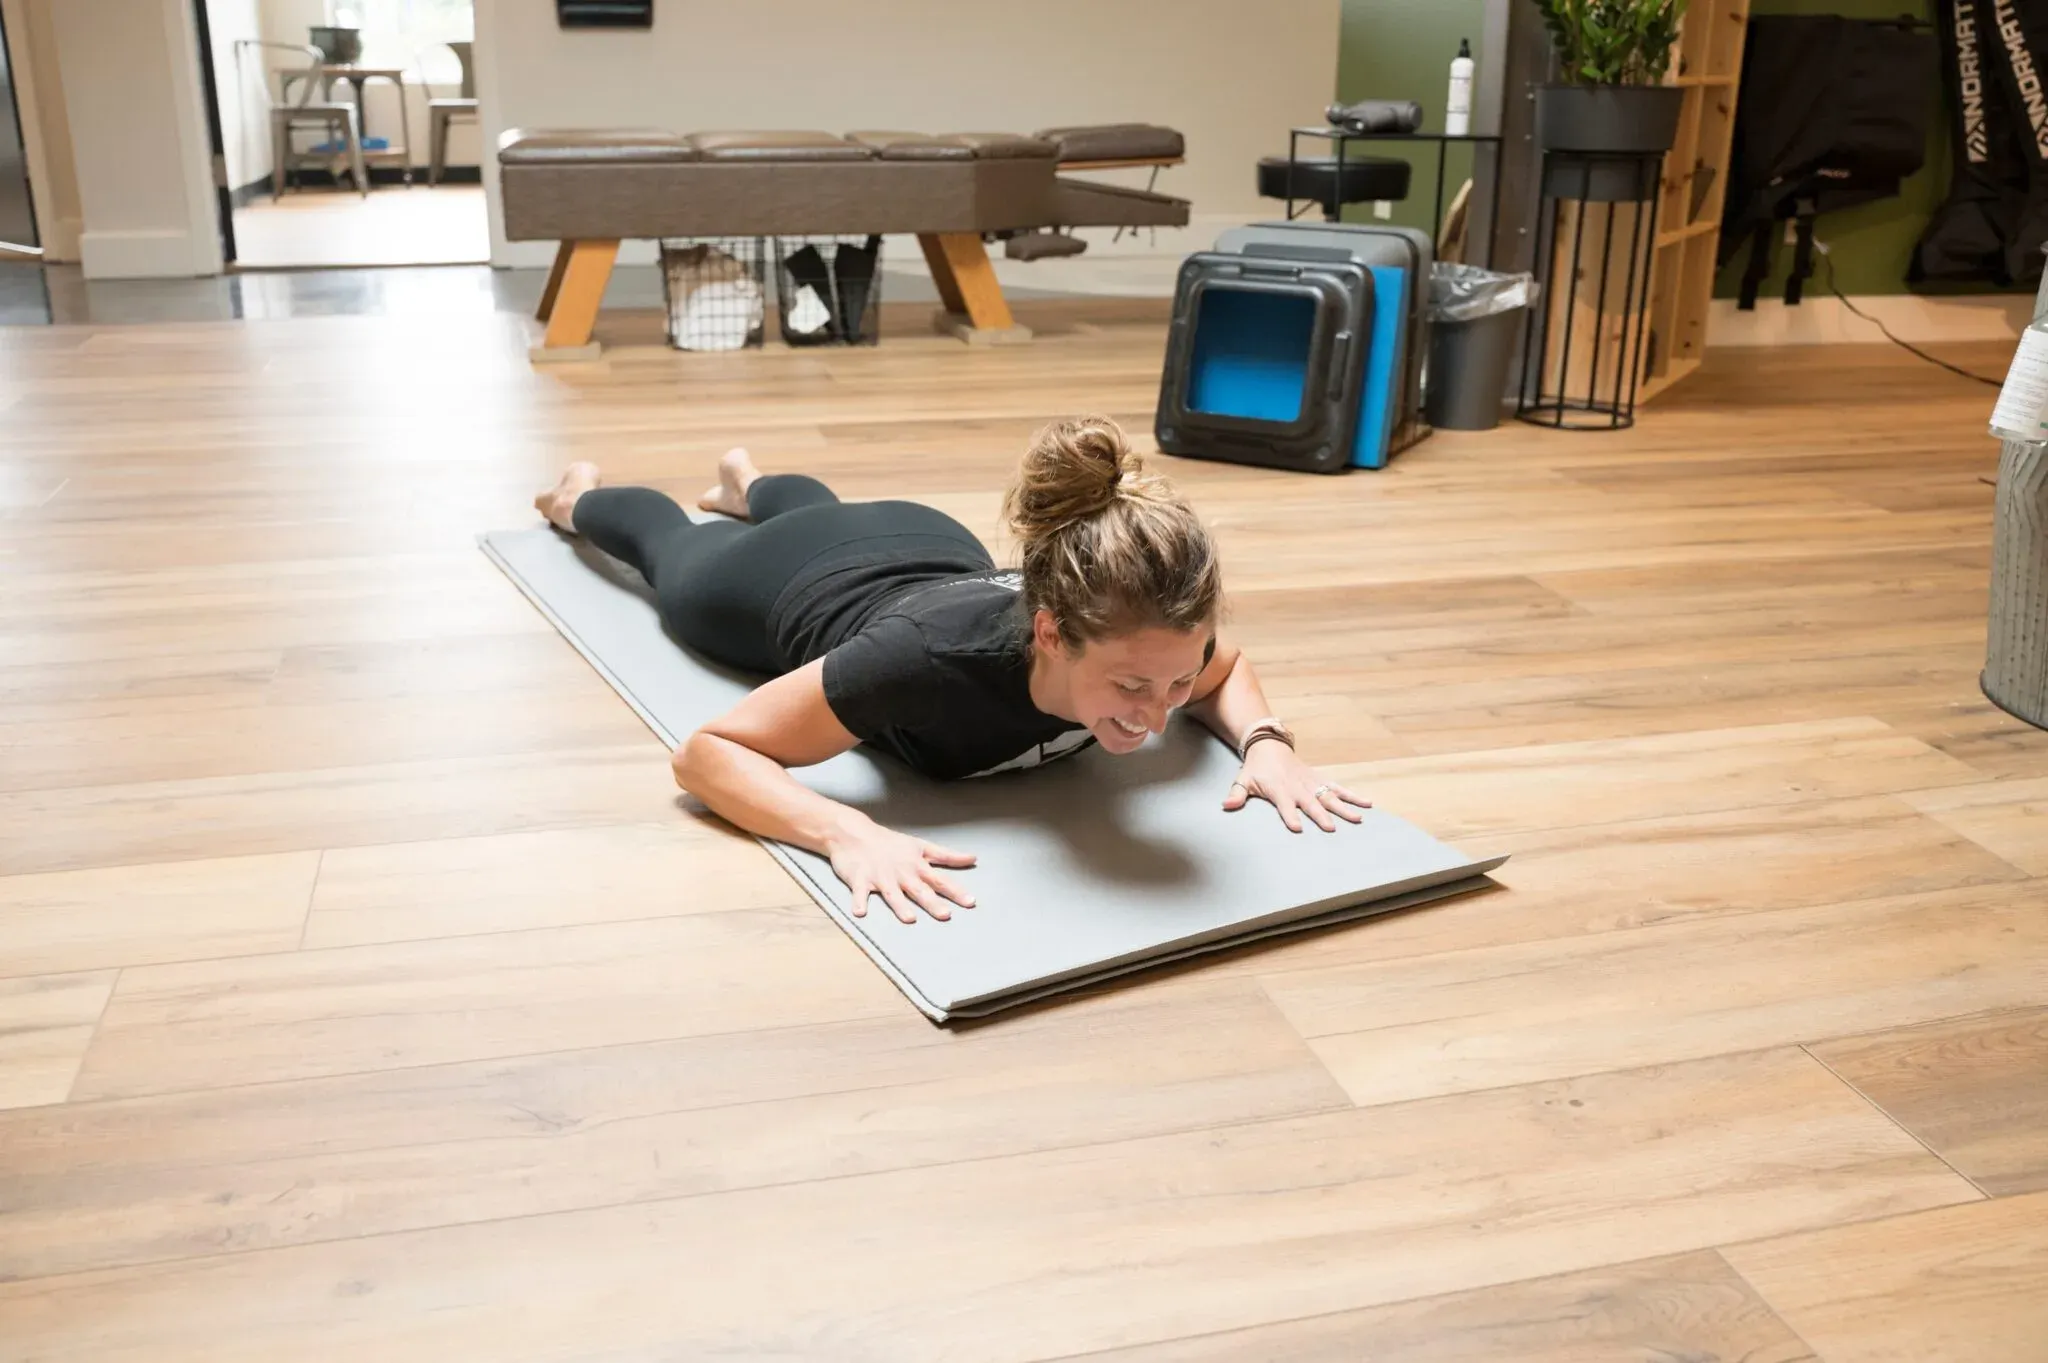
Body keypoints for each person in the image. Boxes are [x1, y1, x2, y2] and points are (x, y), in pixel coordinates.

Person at [533, 415, 1370, 925]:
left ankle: (750, 480)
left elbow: (1225, 667)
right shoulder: (923, 663)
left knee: (825, 510)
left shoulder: (1147, 639)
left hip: (928, 539)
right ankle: (578, 496)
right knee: (672, 553)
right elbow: (707, 753)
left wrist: (1266, 742)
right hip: (794, 576)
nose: (1158, 718)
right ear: (1049, 632)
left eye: (1174, 686)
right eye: (1128, 687)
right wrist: (842, 831)